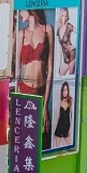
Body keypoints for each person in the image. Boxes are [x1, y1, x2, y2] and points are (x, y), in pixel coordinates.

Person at [17, 9, 54, 150]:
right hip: (24, 89)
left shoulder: (47, 30)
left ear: (31, 12)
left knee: (43, 132)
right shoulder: (21, 34)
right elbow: (18, 71)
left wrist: (45, 106)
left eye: (22, 10)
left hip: (41, 89)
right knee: (26, 135)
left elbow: (50, 69)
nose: (19, 13)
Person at [53, 81, 73, 147]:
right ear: (62, 91)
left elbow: (71, 116)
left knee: (70, 147)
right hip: (59, 127)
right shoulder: (60, 101)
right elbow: (58, 117)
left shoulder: (70, 100)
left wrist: (69, 129)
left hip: (66, 128)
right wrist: (55, 128)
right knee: (56, 149)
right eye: (63, 90)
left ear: (68, 91)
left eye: (66, 90)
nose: (65, 92)